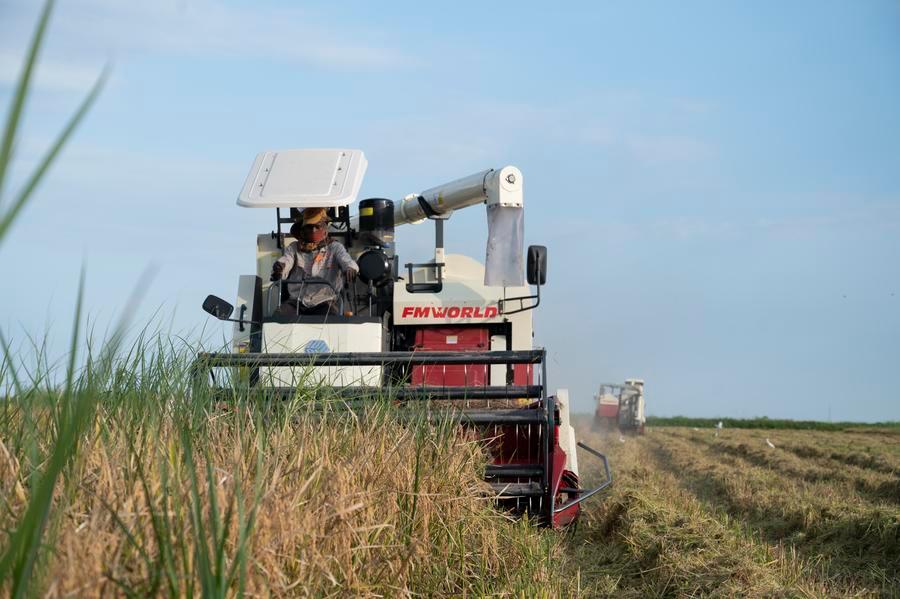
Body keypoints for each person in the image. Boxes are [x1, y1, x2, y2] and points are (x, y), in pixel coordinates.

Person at [270, 207, 358, 316]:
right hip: (296, 302)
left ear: (324, 228)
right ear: (302, 229)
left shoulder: (335, 247)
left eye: (317, 227)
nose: (313, 230)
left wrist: (351, 268)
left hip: (324, 302)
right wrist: (280, 268)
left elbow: (346, 260)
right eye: (309, 227)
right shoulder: (293, 248)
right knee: (278, 317)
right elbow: (286, 260)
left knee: (332, 320)